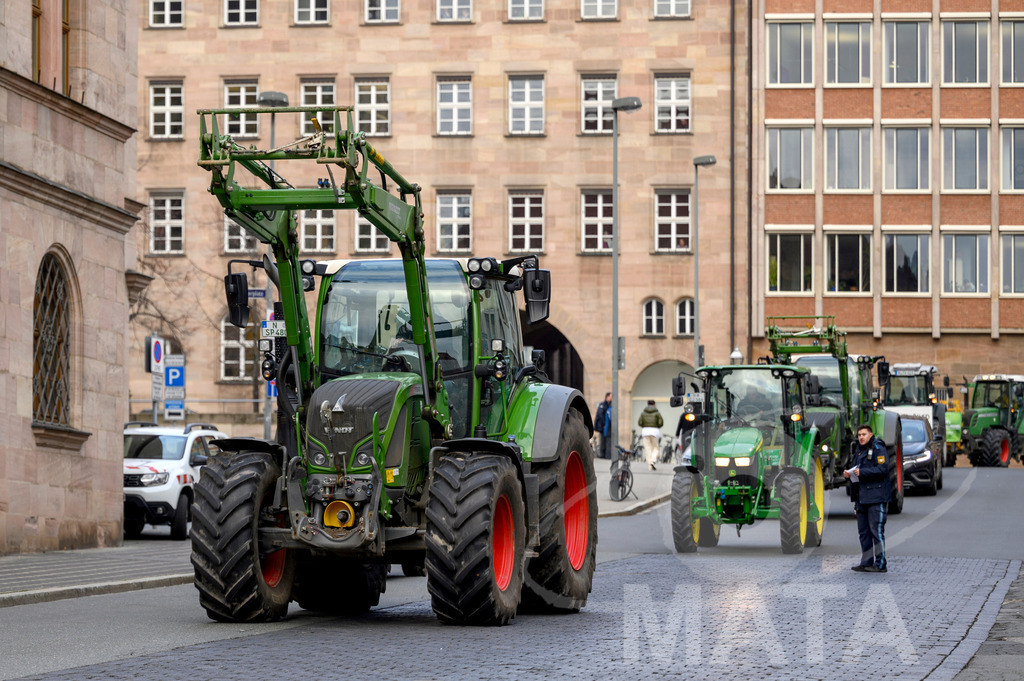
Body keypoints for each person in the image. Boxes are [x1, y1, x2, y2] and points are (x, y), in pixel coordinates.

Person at [845, 424, 891, 573]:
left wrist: (861, 472)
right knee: (863, 532)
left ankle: (880, 564)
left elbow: (883, 469)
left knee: (876, 531)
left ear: (871, 435)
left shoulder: (878, 448)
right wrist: (849, 474)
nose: (861, 437)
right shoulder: (858, 450)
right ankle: (866, 562)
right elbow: (856, 469)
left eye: (864, 434)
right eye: (859, 435)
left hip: (876, 498)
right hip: (862, 498)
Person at [638, 400, 664, 470]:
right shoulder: (657, 413)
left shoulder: (643, 413)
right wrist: (656, 426)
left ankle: (649, 464)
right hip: (654, 431)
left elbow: (640, 422)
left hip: (645, 431)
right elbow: (661, 423)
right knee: (655, 448)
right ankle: (653, 460)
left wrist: (645, 425)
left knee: (648, 448)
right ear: (654, 404)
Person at [594, 393, 613, 459]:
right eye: (611, 396)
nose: (612, 398)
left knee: (605, 440)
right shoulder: (603, 405)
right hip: (602, 426)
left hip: (605, 426)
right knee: (602, 440)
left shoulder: (608, 405)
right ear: (607, 397)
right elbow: (600, 415)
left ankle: (605, 455)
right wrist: (604, 424)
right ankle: (602, 455)